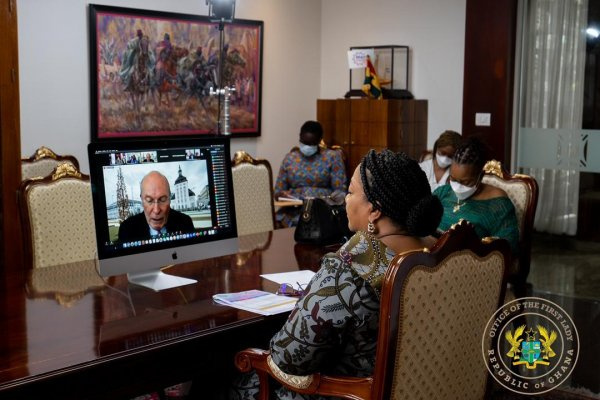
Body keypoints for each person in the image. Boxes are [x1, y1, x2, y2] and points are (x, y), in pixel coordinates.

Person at [233, 150, 443, 399]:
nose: (345, 199)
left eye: (351, 192)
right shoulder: (442, 251)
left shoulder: (350, 269)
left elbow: (287, 360)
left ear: (375, 210)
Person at [433, 137, 519, 254]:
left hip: (468, 264)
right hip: (432, 252)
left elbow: (508, 245)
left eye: (465, 182)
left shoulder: (497, 204)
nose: (457, 187)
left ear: (481, 175)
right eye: (453, 179)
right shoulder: (444, 192)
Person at [274, 120, 347, 227]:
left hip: (322, 210)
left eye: (311, 143)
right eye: (304, 142)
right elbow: (278, 192)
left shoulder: (332, 157)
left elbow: (340, 193)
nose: (307, 146)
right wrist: (283, 195)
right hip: (293, 209)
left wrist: (319, 199)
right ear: (300, 137)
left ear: (319, 140)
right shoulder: (290, 159)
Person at [118, 171, 194, 242]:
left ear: (170, 198)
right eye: (149, 200)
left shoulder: (185, 223)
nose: (156, 210)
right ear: (142, 200)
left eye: (163, 200)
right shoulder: (127, 230)